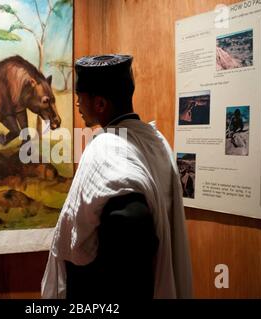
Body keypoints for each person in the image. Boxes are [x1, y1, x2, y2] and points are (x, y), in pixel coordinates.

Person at [41, 54, 193, 299]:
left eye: (80, 99)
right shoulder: (157, 140)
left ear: (100, 104)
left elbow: (128, 220)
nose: (78, 106)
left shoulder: (105, 148)